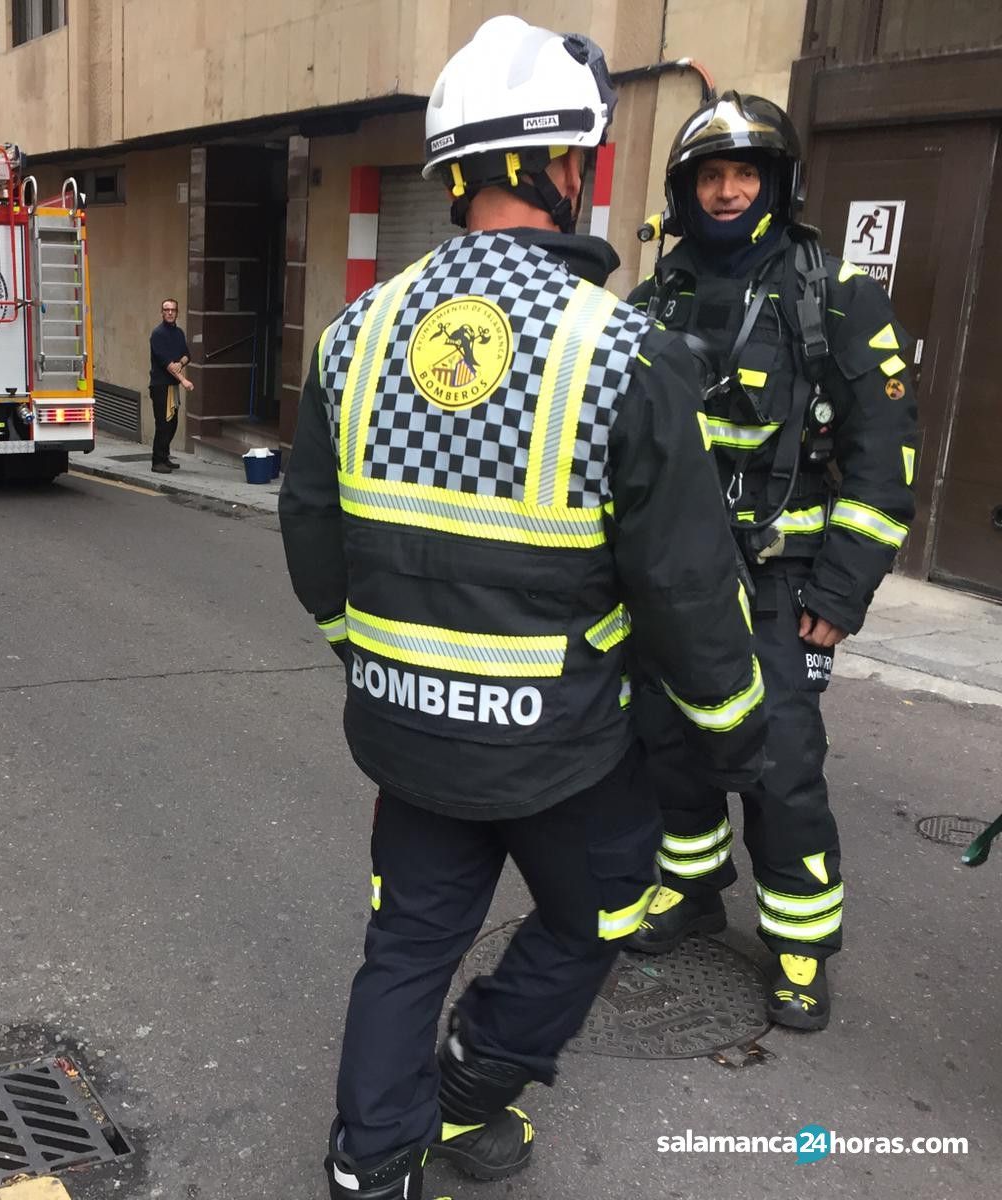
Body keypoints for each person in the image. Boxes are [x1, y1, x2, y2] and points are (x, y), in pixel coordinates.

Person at [278, 17, 768, 1199]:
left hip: (405, 728)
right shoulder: (625, 351)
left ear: (452, 177)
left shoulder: (355, 335)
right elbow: (687, 585)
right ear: (566, 168)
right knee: (600, 911)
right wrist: (734, 728)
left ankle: (370, 1162)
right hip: (566, 745)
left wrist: (370, 656)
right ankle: (476, 1079)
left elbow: (310, 532)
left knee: (404, 946)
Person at [622, 93, 920, 1033]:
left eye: (745, 173)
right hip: (669, 579)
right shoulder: (651, 299)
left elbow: (885, 451)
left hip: (781, 583)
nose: (727, 191)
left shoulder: (836, 296)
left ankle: (797, 943)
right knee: (666, 744)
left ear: (779, 184)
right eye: (710, 175)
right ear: (684, 190)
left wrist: (841, 588)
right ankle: (692, 884)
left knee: (781, 762)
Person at [148, 298, 193, 473]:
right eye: (166, 309)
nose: (169, 312)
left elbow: (187, 354)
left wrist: (180, 363)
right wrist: (184, 380)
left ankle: (165, 457)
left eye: (173, 310)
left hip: (172, 385)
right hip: (160, 385)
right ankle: (157, 461)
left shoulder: (179, 333)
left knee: (172, 424)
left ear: (177, 312)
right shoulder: (158, 334)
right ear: (162, 312)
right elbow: (165, 363)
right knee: (163, 424)